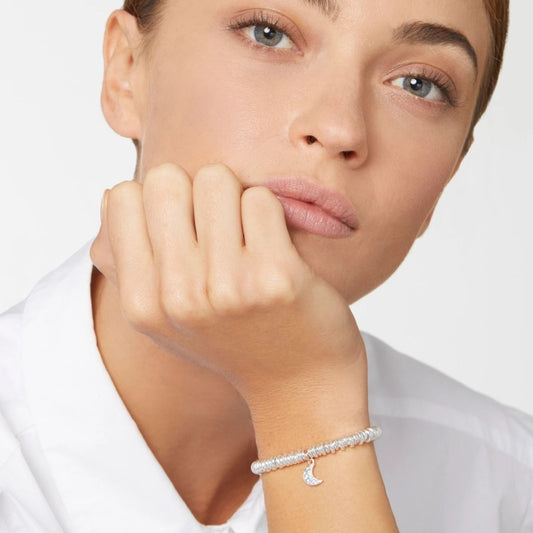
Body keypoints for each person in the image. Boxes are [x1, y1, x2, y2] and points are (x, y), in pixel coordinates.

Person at [0, 0, 531, 532]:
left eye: (419, 84)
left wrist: (304, 400)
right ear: (126, 71)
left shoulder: (509, 486)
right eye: (268, 33)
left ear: (450, 173)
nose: (340, 128)